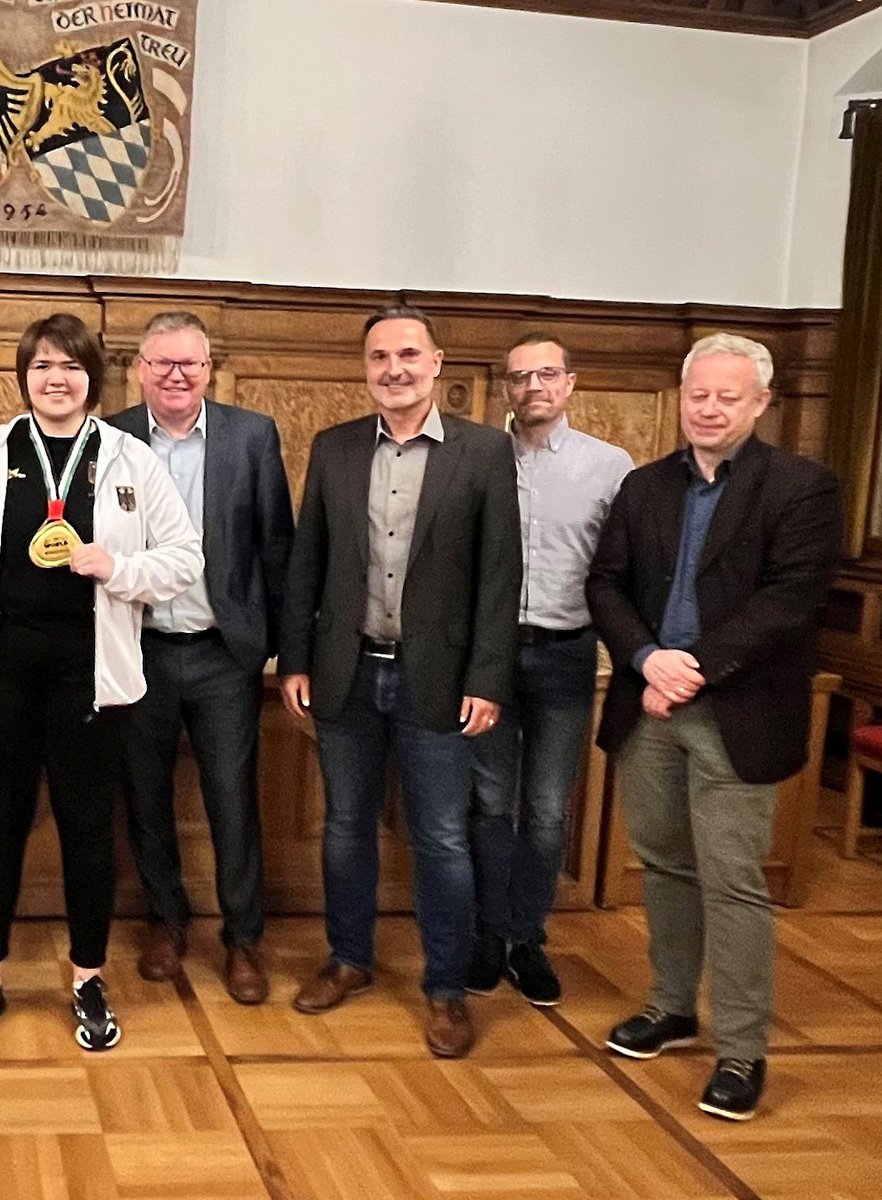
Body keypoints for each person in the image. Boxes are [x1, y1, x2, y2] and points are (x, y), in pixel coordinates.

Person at [0, 312, 203, 1052]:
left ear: (92, 379)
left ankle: (86, 978)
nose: (56, 378)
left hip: (91, 673)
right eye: (43, 365)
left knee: (86, 831)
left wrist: (119, 568)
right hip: (1, 668)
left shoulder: (129, 458)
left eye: (71, 367)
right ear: (24, 376)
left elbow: (185, 558)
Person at [587, 333, 841, 1121]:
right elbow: (605, 582)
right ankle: (671, 1006)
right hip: (649, 705)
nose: (709, 408)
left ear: (761, 403)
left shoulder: (801, 488)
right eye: (699, 393)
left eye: (728, 396)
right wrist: (644, 657)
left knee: (732, 879)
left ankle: (741, 1048)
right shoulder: (643, 486)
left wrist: (688, 666)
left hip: (737, 709)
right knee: (662, 863)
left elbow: (790, 600)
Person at [280, 304, 519, 1060]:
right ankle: (348, 958)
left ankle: (446, 990)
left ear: (438, 361)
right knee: (345, 827)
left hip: (440, 684)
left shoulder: (482, 453)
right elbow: (306, 564)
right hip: (346, 675)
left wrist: (487, 676)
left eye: (408, 354)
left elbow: (498, 574)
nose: (394, 368)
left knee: (442, 837)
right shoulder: (335, 448)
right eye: (380, 356)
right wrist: (295, 660)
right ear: (366, 368)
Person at [108, 311, 294, 1006]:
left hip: (224, 654)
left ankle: (243, 938)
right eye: (162, 363)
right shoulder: (112, 438)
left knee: (232, 799)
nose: (176, 375)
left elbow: (277, 546)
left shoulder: (251, 437)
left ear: (209, 369)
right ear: (140, 370)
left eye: (189, 364)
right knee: (147, 795)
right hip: (139, 650)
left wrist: (281, 652)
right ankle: (167, 921)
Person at [467, 334, 633, 1007]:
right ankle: (485, 934)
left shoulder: (610, 466)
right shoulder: (478, 459)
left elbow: (625, 567)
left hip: (567, 653)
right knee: (488, 805)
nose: (532, 386)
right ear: (505, 388)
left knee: (543, 809)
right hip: (491, 656)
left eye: (546, 374)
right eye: (518, 376)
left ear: (569, 382)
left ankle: (525, 938)